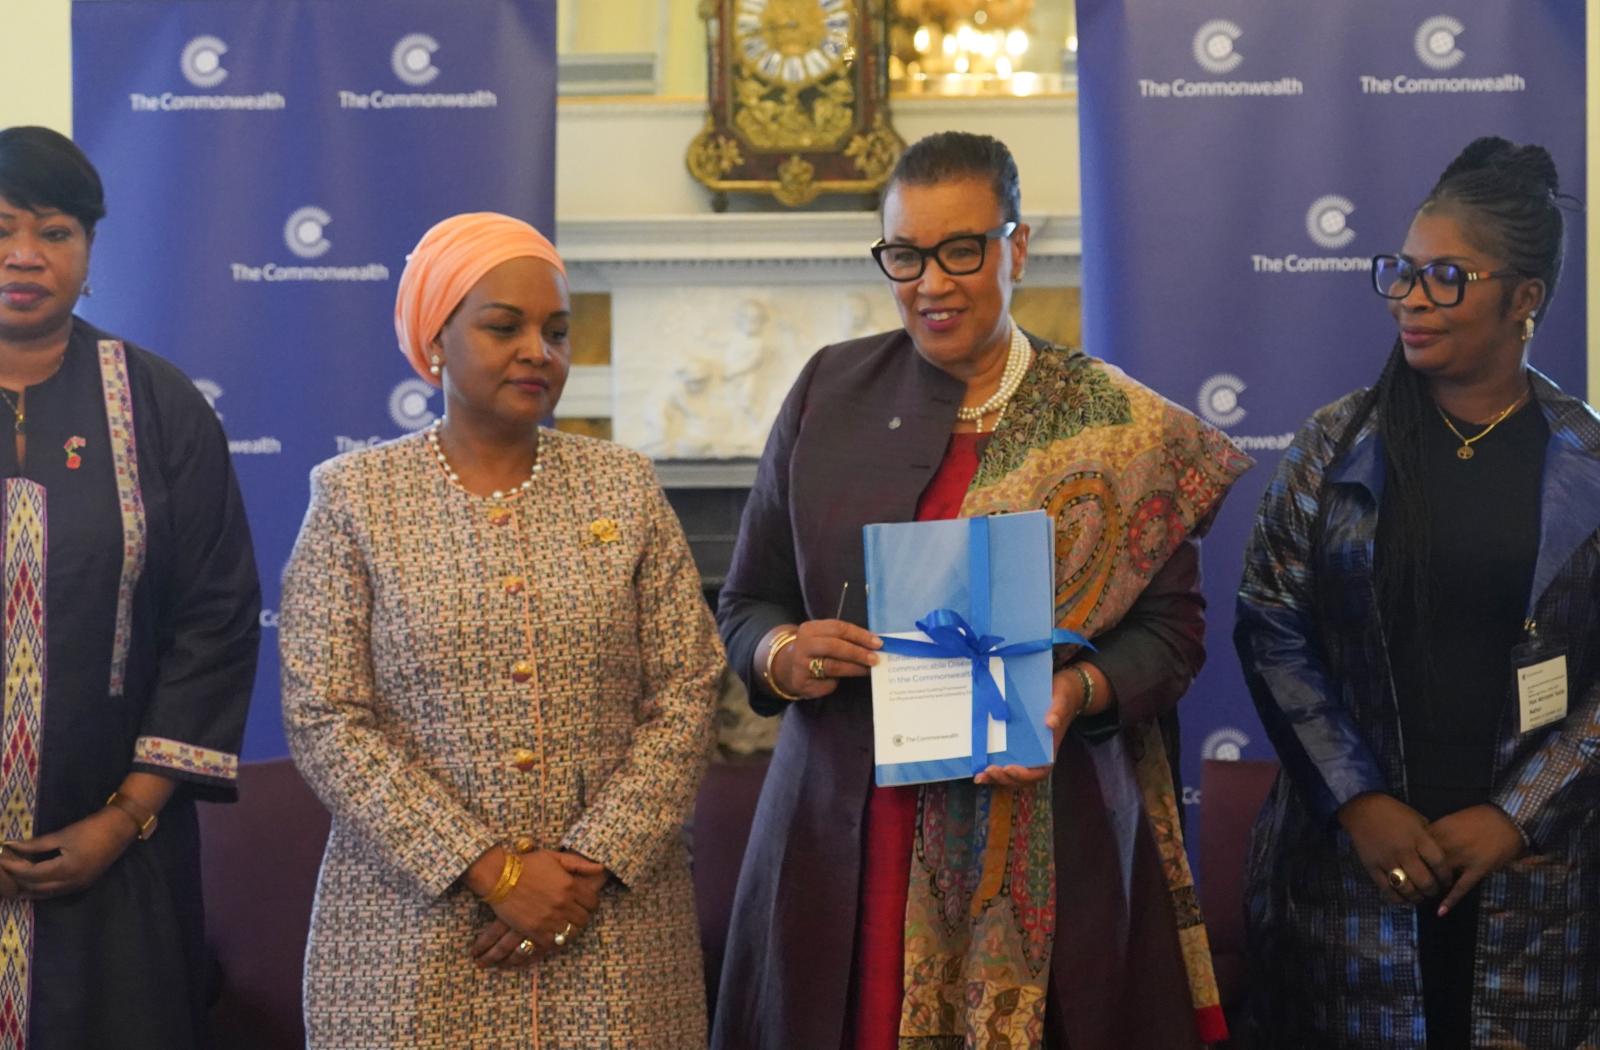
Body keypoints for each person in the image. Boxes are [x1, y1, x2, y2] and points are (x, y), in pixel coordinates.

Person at [712, 131, 1251, 1049]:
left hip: (1043, 836)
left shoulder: (1113, 421)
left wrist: (1071, 693)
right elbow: (747, 602)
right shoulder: (827, 393)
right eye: (906, 255)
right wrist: (783, 653)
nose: (932, 282)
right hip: (849, 828)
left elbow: (1174, 635)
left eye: (963, 250)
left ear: (1017, 246)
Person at [280, 212, 724, 1048]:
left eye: (557, 331)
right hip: (415, 926)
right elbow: (325, 715)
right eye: (504, 325)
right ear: (435, 339)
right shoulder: (355, 499)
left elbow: (689, 684)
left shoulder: (623, 488)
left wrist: (583, 871)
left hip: (614, 928)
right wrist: (493, 871)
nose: (538, 350)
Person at [1237, 136, 1600, 1047]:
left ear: (1527, 301)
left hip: (1540, 882)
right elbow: (1273, 630)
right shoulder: (1333, 444)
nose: (1410, 298)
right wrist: (1360, 803)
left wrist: (1516, 815)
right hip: (1349, 873)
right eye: (1401, 272)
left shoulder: (1590, 458)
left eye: (1446, 276)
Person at [0, 125, 261, 1048]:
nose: (25, 255)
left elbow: (217, 617)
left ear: (90, 250)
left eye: (57, 232)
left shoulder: (159, 405)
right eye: (1, 227)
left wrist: (125, 817)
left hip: (117, 864)